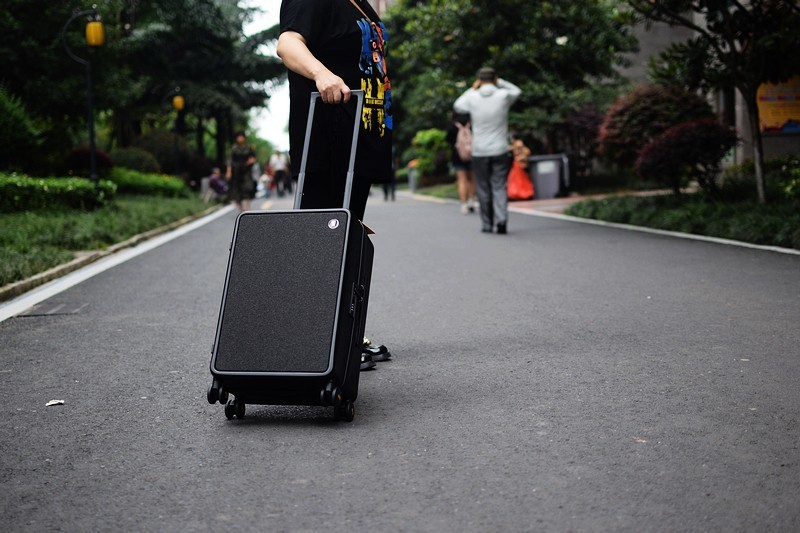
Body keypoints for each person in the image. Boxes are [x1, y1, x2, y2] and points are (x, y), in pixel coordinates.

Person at [277, 0, 394, 370]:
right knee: (320, 245)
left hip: (360, 140)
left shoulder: (360, 6)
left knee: (346, 242)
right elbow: (288, 43)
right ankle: (313, 344)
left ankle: (344, 338)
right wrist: (322, 74)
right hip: (328, 137)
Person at [453, 67, 521, 234]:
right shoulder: (503, 95)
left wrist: (473, 88)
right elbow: (517, 91)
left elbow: (457, 105)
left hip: (480, 151)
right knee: (499, 186)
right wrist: (501, 83)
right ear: (495, 79)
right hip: (500, 148)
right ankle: (502, 220)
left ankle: (487, 224)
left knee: (483, 187)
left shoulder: (472, 97)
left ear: (479, 79)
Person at [446, 112, 477, 214]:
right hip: (472, 154)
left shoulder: (453, 126)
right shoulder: (471, 124)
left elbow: (448, 140)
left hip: (457, 155)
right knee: (471, 179)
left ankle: (463, 204)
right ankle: (471, 200)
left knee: (461, 180)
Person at [225, 131, 256, 212]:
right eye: (239, 137)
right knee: (237, 190)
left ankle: (248, 208)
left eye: (241, 136)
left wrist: (251, 161)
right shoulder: (234, 148)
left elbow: (253, 157)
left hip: (246, 170)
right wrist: (229, 171)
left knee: (247, 188)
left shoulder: (249, 147)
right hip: (236, 171)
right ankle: (241, 209)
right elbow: (230, 160)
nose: (240, 138)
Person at [507, 132, 534, 201]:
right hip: (517, 164)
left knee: (520, 180)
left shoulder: (518, 143)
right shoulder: (516, 143)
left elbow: (521, 149)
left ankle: (522, 194)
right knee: (516, 179)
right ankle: (517, 194)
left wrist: (518, 154)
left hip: (519, 164)